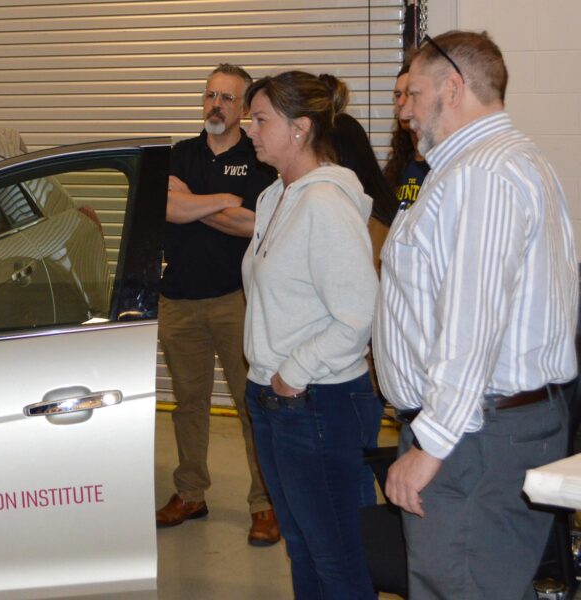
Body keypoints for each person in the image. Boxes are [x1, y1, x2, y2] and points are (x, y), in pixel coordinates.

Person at [375, 30, 577, 600]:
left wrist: (431, 445)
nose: (404, 109)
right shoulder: (495, 164)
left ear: (453, 87)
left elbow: (474, 324)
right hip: (480, 429)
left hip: (472, 438)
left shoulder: (483, 175)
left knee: (456, 589)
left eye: (412, 93)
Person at [241, 71, 378, 599]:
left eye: (260, 120)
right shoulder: (276, 196)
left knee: (337, 557)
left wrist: (293, 373)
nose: (249, 129)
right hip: (273, 397)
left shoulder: (325, 204)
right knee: (301, 546)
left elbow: (359, 312)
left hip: (318, 400)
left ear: (300, 129)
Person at [155, 63, 280, 546]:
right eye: (209, 95)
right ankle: (191, 493)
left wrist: (195, 203)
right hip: (178, 300)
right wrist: (221, 202)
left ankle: (264, 504)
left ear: (244, 107)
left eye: (227, 98)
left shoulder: (260, 159)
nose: (215, 105)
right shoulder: (179, 154)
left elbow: (254, 225)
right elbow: (166, 207)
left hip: (236, 300)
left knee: (252, 407)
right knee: (188, 406)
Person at [329, 107, 395, 507]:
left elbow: (372, 306)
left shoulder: (375, 223)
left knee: (351, 479)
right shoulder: (342, 210)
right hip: (339, 371)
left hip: (359, 374)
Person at [383, 63, 430, 212]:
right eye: (398, 95)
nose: (401, 102)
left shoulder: (440, 162)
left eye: (410, 94)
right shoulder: (398, 163)